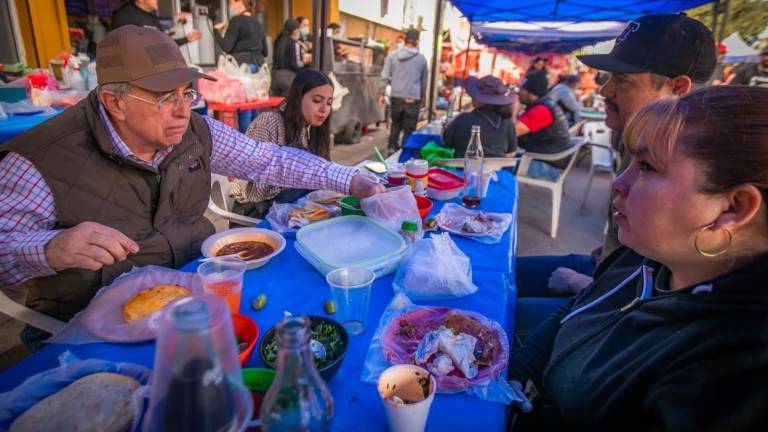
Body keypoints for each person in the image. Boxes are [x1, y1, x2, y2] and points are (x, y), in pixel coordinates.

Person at [0, 26, 382, 350]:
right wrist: (51, 249)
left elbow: (270, 160)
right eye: (166, 98)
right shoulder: (41, 159)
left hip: (192, 295)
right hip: (92, 330)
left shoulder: (193, 131)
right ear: (114, 102)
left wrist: (350, 179)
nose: (184, 110)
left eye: (187, 93)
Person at [508, 85, 768, 430]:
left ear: (732, 208)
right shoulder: (649, 253)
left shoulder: (728, 374)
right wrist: (512, 383)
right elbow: (578, 308)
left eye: (646, 166)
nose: (619, 181)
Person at [514, 14, 716, 339]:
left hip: (623, 307)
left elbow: (664, 302)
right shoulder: (632, 137)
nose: (604, 89)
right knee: (498, 275)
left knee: (495, 317)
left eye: (622, 79)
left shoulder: (696, 175)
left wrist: (586, 285)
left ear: (677, 88)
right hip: (605, 270)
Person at [230, 69, 334, 218]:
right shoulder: (268, 123)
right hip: (255, 213)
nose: (324, 109)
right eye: (317, 100)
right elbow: (251, 189)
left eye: (329, 103)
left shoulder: (307, 128)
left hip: (287, 209)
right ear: (298, 97)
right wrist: (302, 174)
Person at [442, 75, 517, 158]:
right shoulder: (507, 121)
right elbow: (511, 152)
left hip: (461, 169)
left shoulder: (463, 119)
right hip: (496, 169)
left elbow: (447, 144)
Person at [381, 29, 428, 154]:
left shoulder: (392, 55)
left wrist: (381, 93)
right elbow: (424, 82)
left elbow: (384, 76)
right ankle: (404, 153)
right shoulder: (421, 59)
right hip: (413, 98)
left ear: (405, 39)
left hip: (396, 96)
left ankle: (391, 147)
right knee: (409, 128)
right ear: (417, 41)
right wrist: (423, 98)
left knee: (395, 123)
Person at [515, 71, 571, 165]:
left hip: (546, 165)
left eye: (521, 88)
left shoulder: (541, 110)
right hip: (546, 159)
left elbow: (511, 132)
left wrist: (514, 108)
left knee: (495, 168)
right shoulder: (545, 104)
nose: (518, 91)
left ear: (530, 91)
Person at [110, 0, 201, 46]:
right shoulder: (125, 15)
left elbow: (163, 43)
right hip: (134, 74)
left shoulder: (152, 18)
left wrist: (186, 39)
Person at [213, 0, 268, 70]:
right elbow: (265, 52)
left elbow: (226, 47)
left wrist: (216, 31)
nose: (229, 7)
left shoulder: (236, 20)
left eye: (230, 3)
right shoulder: (258, 22)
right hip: (259, 66)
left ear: (239, 2)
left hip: (242, 67)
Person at [271, 19, 306, 97]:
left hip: (274, 77)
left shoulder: (278, 41)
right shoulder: (294, 44)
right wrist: (304, 61)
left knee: (278, 105)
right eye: (299, 29)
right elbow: (296, 64)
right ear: (295, 31)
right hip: (288, 79)